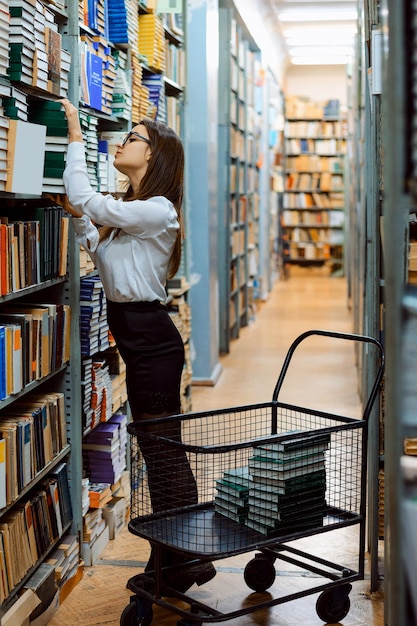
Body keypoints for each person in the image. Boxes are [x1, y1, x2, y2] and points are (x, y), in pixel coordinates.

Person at [59, 98, 216, 592]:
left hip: (152, 344)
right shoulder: (131, 214)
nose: (123, 142)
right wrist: (80, 214)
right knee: (160, 449)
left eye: (132, 138)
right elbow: (96, 243)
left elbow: (88, 201)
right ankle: (181, 559)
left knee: (162, 451)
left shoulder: (157, 209)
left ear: (153, 156)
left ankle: (181, 560)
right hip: (140, 340)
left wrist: (74, 136)